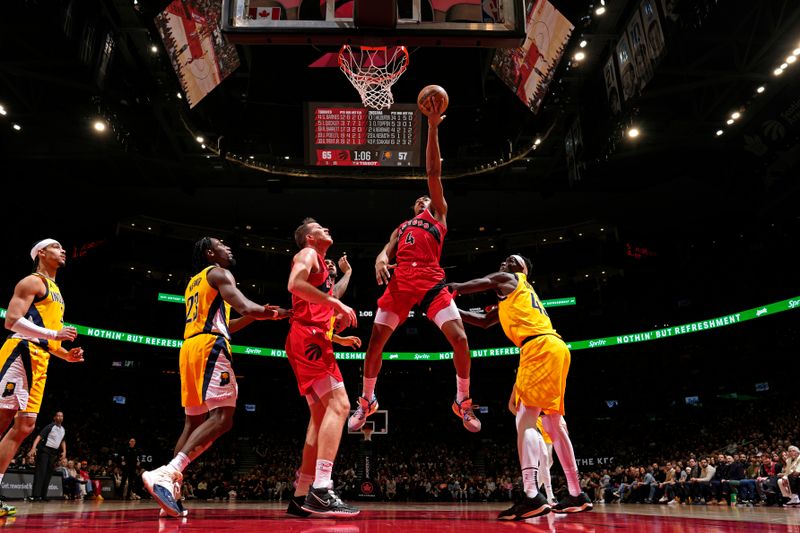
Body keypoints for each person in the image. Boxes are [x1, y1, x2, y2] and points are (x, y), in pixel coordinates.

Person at [348, 112, 480, 434]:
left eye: (427, 198)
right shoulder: (403, 226)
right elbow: (386, 249)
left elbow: (433, 171)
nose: (425, 199)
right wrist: (380, 259)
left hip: (432, 281)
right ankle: (367, 400)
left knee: (460, 340)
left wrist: (433, 127)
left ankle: (462, 400)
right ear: (413, 207)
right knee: (375, 343)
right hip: (402, 282)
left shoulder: (439, 216)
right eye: (420, 199)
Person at [142, 237, 289, 518]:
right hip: (211, 347)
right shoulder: (220, 273)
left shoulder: (194, 282)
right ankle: (167, 472)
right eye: (222, 244)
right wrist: (274, 314)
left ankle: (171, 489)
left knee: (193, 421)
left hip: (189, 348)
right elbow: (245, 306)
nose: (228, 247)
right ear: (211, 253)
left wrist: (258, 315)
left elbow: (227, 321)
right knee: (224, 417)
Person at [449, 254, 592, 519]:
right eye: (504, 260)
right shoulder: (511, 300)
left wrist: (453, 288)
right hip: (555, 347)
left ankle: (531, 496)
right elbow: (481, 321)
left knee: (525, 421)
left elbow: (488, 280)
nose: (505, 263)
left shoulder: (513, 280)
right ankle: (576, 493)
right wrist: (446, 309)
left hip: (537, 348)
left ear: (523, 270)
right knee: (553, 424)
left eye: (512, 261)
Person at [0, 239, 84, 517]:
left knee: (25, 425)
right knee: (2, 419)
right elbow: (11, 320)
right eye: (57, 247)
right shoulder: (32, 282)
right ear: (41, 253)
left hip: (41, 359)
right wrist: (53, 335)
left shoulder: (57, 292)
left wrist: (66, 354)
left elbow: (50, 339)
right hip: (21, 352)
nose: (63, 251)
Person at [285, 218, 360, 516]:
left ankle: (301, 494)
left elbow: (332, 294)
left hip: (308, 339)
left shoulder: (322, 267)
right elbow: (294, 284)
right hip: (309, 338)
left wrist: (347, 278)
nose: (327, 228)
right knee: (340, 406)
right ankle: (321, 489)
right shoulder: (307, 254)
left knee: (319, 418)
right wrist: (336, 305)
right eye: (320, 227)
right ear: (309, 238)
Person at [26, 411, 67, 502]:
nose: (60, 417)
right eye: (58, 416)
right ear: (54, 418)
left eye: (61, 416)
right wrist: (33, 448)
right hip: (44, 450)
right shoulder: (50, 427)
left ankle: (43, 495)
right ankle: (36, 496)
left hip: (53, 453)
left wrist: (64, 451)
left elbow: (63, 441)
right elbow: (39, 437)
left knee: (48, 474)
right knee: (41, 473)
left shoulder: (63, 429)